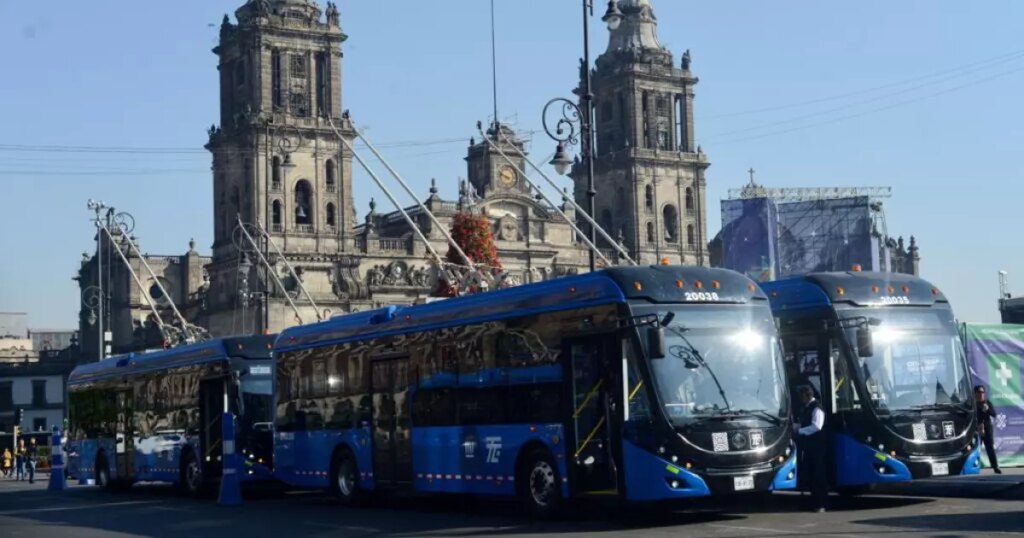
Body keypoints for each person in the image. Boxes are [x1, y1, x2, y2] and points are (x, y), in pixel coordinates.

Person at [795, 385, 828, 512]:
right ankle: (814, 502)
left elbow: (816, 426)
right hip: (809, 446)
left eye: (801, 396)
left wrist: (800, 431)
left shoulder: (816, 408)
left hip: (817, 447)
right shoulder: (807, 408)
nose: (800, 399)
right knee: (811, 474)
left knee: (818, 475)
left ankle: (821, 503)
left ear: (806, 395)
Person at [975, 385, 1002, 474]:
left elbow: (994, 414)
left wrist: (987, 409)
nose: (981, 394)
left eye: (983, 392)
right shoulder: (972, 404)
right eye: (979, 392)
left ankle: (995, 466)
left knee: (990, 447)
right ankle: (975, 467)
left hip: (987, 428)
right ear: (975, 393)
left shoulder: (987, 402)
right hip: (976, 429)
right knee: (976, 448)